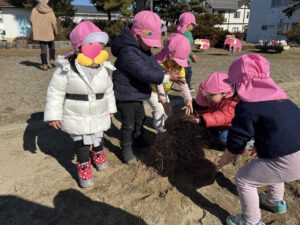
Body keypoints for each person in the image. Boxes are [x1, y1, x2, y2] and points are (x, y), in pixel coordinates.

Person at [217, 54, 300, 225]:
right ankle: (275, 201)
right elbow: (280, 130)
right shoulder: (283, 100)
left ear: (240, 85)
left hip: (285, 161)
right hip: (295, 152)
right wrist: (261, 146)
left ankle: (251, 221)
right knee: (270, 164)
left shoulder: (247, 107)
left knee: (243, 179)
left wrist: (227, 156)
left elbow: (238, 136)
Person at [44, 21, 117, 188]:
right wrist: (53, 114)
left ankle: (98, 154)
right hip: (76, 114)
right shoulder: (66, 68)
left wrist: (111, 108)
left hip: (98, 112)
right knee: (82, 144)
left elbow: (109, 90)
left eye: (100, 48)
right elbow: (55, 92)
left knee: (98, 138)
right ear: (79, 49)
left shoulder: (103, 68)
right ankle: (84, 167)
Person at [111, 10, 185, 164]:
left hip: (136, 92)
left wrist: (164, 71)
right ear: (136, 35)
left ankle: (138, 138)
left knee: (140, 118)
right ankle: (126, 147)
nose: (150, 47)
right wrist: (167, 77)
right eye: (148, 42)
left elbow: (152, 64)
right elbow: (144, 73)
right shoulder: (127, 51)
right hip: (125, 93)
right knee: (128, 123)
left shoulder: (142, 48)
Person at [148, 33, 193, 133]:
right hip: (151, 91)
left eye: (180, 62)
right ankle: (160, 132)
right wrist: (163, 101)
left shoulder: (179, 68)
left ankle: (159, 121)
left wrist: (188, 99)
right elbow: (158, 83)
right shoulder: (159, 64)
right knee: (160, 109)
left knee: (168, 112)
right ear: (167, 56)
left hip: (165, 92)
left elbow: (183, 84)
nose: (177, 65)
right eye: (175, 61)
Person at [189, 72, 237, 147]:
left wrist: (201, 120)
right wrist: (198, 115)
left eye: (210, 95)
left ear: (223, 93)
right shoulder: (217, 100)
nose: (207, 97)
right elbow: (211, 112)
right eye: (206, 94)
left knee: (223, 137)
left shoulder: (231, 104)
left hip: (230, 128)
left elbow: (221, 116)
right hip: (218, 126)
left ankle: (245, 143)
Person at [30, 0, 58, 71]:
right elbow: (54, 22)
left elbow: (31, 20)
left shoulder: (34, 10)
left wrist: (35, 28)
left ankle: (44, 65)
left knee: (43, 49)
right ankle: (52, 60)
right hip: (49, 32)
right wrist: (56, 31)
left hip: (40, 32)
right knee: (52, 46)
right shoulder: (50, 10)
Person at [177, 12, 198, 92]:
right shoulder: (188, 33)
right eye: (193, 25)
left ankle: (184, 86)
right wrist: (192, 55)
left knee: (181, 72)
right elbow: (187, 47)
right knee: (187, 73)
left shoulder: (179, 31)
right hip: (186, 58)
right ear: (188, 24)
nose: (193, 27)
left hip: (178, 56)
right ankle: (186, 87)